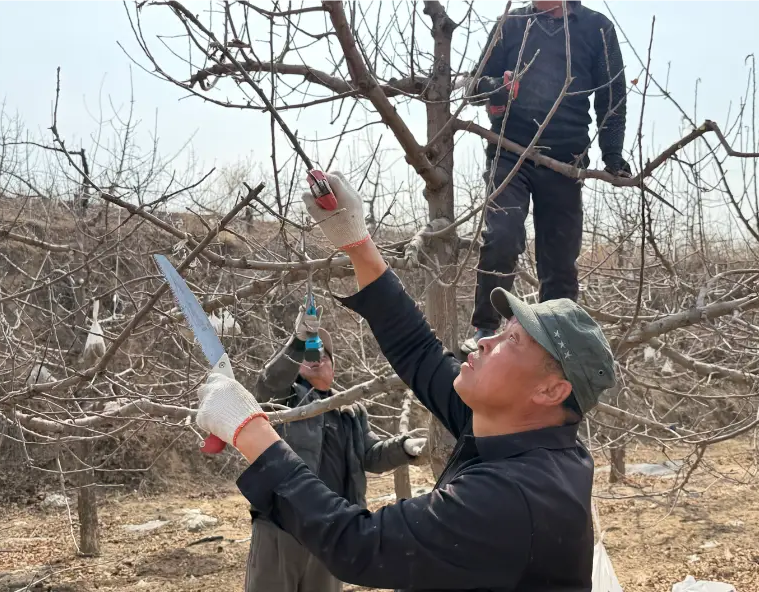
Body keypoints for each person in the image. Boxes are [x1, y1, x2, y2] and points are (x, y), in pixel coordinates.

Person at [195, 172, 617, 592]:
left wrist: (248, 428)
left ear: (550, 390)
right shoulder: (522, 430)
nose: (485, 342)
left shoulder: (513, 498)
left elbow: (359, 545)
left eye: (512, 341)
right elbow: (418, 350)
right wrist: (358, 243)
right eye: (499, 329)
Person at [462, 0, 629, 355]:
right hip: (510, 152)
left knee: (559, 259)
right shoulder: (511, 23)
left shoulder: (596, 28)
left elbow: (612, 97)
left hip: (565, 159)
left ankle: (556, 343)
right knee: (502, 237)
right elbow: (474, 86)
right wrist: (500, 86)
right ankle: (485, 331)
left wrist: (612, 155)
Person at [243, 314, 427, 592]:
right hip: (282, 526)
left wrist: (403, 447)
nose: (316, 359)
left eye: (324, 356)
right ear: (296, 366)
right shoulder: (285, 401)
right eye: (307, 355)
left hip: (329, 531)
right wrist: (297, 341)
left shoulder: (350, 410)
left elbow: (371, 455)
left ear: (334, 366)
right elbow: (269, 383)